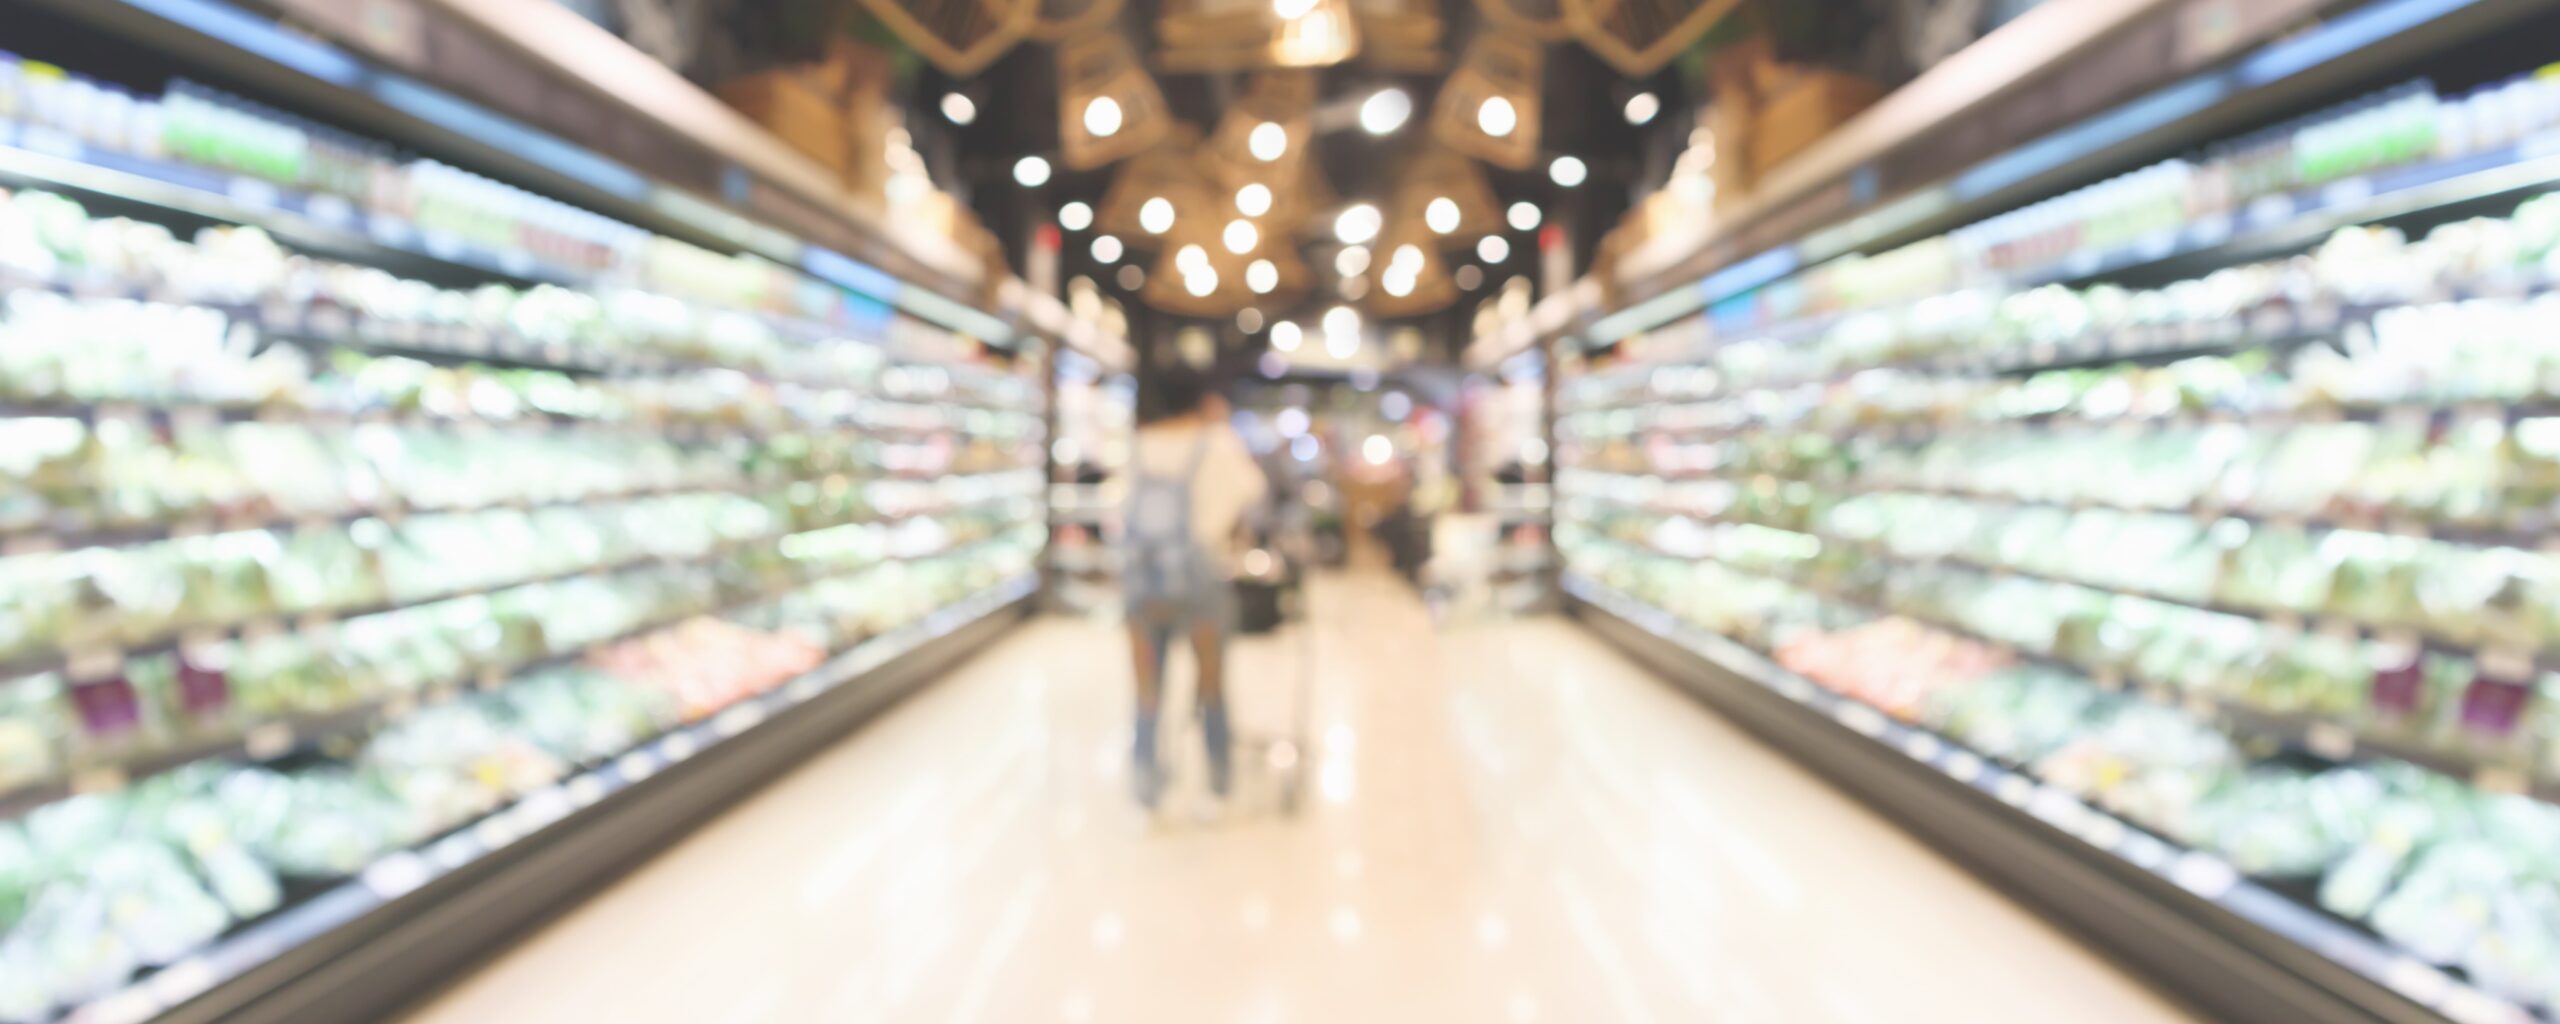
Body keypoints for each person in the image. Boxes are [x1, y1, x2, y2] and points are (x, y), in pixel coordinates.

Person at [1118, 365, 1267, 810]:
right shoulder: (1217, 442)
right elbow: (1252, 492)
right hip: (1201, 584)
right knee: (1212, 687)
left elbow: (1119, 512)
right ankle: (1218, 783)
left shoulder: (1138, 445)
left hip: (1143, 587)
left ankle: (1147, 786)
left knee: (1146, 691)